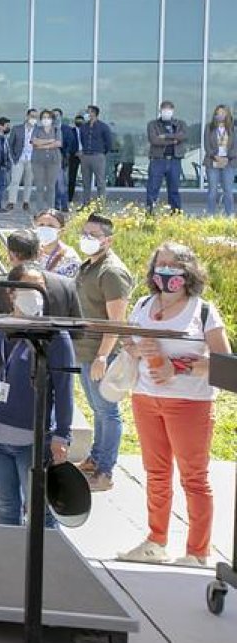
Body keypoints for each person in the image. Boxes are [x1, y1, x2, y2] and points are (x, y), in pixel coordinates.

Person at [118, 242, 230, 566]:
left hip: (189, 402)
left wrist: (176, 366)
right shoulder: (142, 304)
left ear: (188, 271)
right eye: (160, 264)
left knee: (193, 477)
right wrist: (135, 349)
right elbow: (127, 335)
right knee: (156, 473)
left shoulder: (202, 311)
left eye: (173, 264)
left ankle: (197, 552)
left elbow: (222, 360)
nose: (164, 271)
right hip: (146, 397)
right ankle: (156, 541)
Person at [0, 264, 73, 527]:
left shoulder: (56, 336)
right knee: (5, 506)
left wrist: (62, 434)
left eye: (40, 287)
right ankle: (9, 563)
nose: (35, 294)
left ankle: (44, 564)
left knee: (40, 511)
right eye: (28, 287)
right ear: (12, 292)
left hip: (32, 439)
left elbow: (63, 388)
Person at [74, 213, 134, 492]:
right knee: (97, 410)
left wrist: (102, 356)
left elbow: (117, 321)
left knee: (108, 412)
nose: (86, 239)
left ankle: (105, 470)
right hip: (86, 350)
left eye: (93, 235)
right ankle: (95, 459)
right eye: (84, 233)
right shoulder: (90, 265)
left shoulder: (111, 271)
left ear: (107, 240)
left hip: (102, 353)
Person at [0, 229, 82, 318]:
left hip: (10, 341)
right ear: (40, 253)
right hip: (56, 341)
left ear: (9, 255)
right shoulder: (65, 284)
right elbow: (77, 331)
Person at [145, 100, 188, 213]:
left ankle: (176, 214)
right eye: (164, 109)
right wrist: (173, 141)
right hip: (158, 160)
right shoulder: (153, 124)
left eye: (168, 109)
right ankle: (150, 213)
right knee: (153, 188)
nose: (166, 111)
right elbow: (154, 140)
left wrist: (165, 136)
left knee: (174, 189)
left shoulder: (180, 124)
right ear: (160, 110)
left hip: (175, 161)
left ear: (173, 111)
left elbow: (183, 136)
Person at [204, 104, 236, 217]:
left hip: (229, 163)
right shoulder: (209, 127)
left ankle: (230, 214)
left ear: (227, 114)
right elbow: (207, 145)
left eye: (222, 113)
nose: (220, 115)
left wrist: (227, 158)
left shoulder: (232, 128)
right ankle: (210, 215)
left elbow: (235, 147)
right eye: (218, 113)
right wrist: (215, 156)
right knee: (212, 190)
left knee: (228, 190)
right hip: (213, 162)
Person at [78, 106, 113, 205]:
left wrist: (101, 152)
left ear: (94, 113)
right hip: (85, 156)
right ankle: (86, 204)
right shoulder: (84, 127)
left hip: (98, 156)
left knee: (100, 182)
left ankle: (101, 205)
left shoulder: (103, 127)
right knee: (85, 182)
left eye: (89, 112)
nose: (87, 114)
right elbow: (82, 139)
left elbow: (109, 143)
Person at [33, 209, 82, 279]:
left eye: (51, 226)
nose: (45, 228)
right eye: (41, 225)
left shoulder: (70, 258)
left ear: (61, 231)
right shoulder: (30, 251)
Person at [30, 110, 63, 211]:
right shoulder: (37, 129)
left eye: (48, 117)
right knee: (39, 186)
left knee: (51, 186)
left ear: (52, 119)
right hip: (38, 161)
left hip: (53, 161)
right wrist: (49, 141)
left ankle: (50, 210)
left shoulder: (57, 130)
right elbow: (34, 141)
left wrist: (41, 145)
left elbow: (58, 143)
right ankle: (39, 210)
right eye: (43, 117)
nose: (46, 120)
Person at [7, 109, 38, 211]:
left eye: (35, 117)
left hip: (32, 159)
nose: (33, 119)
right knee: (15, 181)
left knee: (29, 182)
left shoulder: (39, 130)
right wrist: (12, 157)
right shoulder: (17, 129)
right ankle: (11, 202)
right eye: (32, 116)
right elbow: (10, 144)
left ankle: (26, 202)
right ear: (27, 116)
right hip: (19, 159)